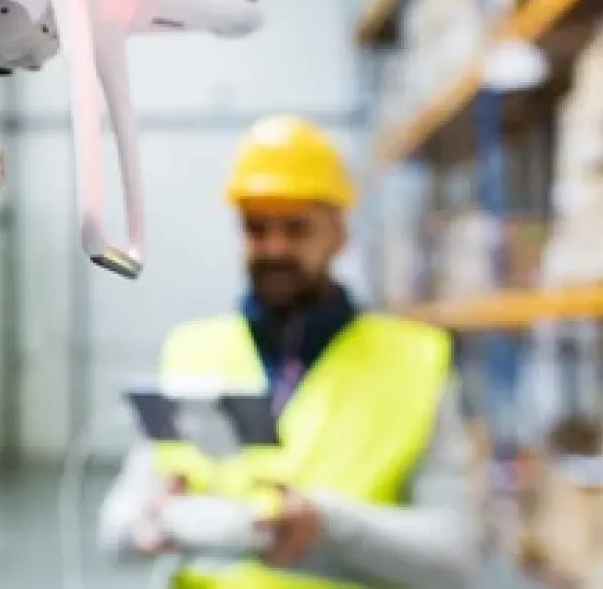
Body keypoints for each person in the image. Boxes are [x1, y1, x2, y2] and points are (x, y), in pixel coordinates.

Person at [96, 115, 482, 588]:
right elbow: (116, 524)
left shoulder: (416, 359)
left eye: (297, 229)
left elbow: (454, 556)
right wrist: (145, 523)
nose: (274, 248)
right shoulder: (192, 351)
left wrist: (328, 525)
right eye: (257, 229)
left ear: (339, 235)